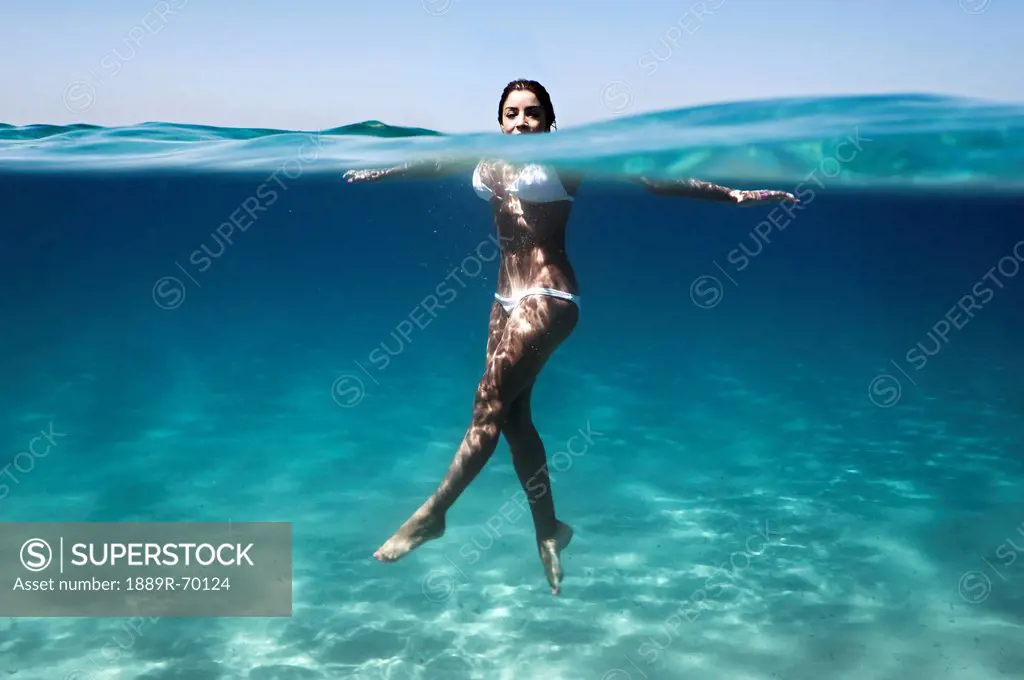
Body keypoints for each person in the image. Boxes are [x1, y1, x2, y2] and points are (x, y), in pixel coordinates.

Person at [343, 79, 796, 595]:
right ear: (499, 121)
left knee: (488, 402)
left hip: (550, 297)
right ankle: (549, 531)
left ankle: (433, 515)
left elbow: (651, 179)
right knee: (513, 420)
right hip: (504, 298)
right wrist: (385, 173)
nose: (520, 123)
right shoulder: (489, 158)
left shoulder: (565, 161)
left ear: (549, 122)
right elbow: (439, 163)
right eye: (511, 114)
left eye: (532, 114)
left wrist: (731, 194)